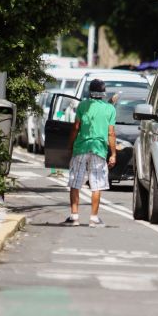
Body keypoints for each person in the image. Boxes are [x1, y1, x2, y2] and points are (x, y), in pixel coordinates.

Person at [63, 79, 117, 227]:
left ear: (89, 92)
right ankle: (94, 218)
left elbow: (76, 127)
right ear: (103, 93)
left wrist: (70, 145)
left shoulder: (83, 105)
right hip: (99, 149)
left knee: (75, 182)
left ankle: (74, 217)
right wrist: (113, 154)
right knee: (97, 184)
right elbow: (111, 133)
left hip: (81, 147)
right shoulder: (110, 109)